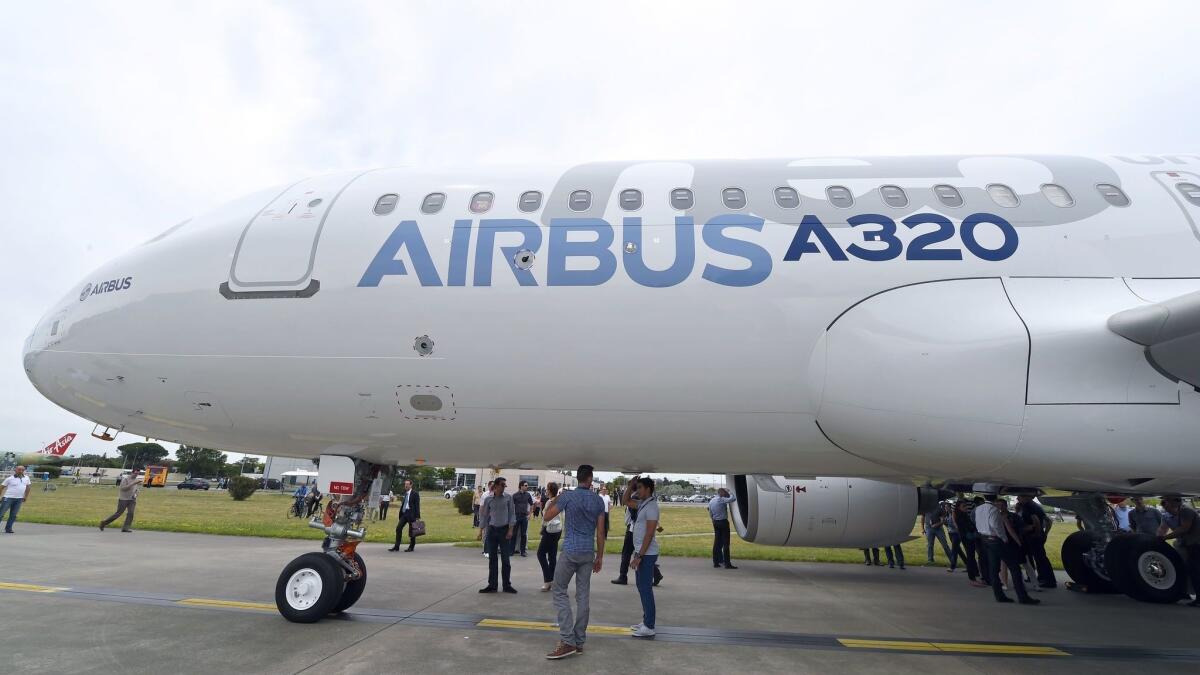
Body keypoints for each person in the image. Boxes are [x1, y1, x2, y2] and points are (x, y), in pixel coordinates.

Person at [542, 464, 605, 659]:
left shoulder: (568, 497)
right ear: (590, 479)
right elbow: (601, 531)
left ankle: (567, 640)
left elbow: (546, 516)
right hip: (587, 552)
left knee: (559, 590)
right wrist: (600, 556)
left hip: (570, 550)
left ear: (577, 478)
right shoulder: (598, 501)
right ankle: (579, 641)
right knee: (583, 596)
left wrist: (559, 496)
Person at [976, 495, 1039, 605]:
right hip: (996, 539)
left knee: (994, 569)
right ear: (995, 498)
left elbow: (978, 524)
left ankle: (999, 595)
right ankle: (1023, 597)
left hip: (985, 539)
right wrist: (1004, 539)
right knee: (1014, 567)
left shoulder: (979, 508)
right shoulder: (994, 509)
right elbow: (995, 525)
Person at [630, 477, 660, 638]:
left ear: (648, 489)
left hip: (646, 554)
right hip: (642, 552)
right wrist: (630, 486)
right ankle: (646, 620)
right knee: (642, 588)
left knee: (645, 589)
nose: (637, 490)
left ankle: (649, 626)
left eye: (639, 487)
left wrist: (639, 556)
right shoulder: (644, 504)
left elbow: (650, 533)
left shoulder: (652, 507)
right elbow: (625, 501)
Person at [477, 477, 516, 593]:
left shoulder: (508, 498)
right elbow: (484, 516)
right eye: (502, 485)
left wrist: (510, 530)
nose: (504, 487)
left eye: (505, 485)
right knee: (492, 559)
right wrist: (480, 530)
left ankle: (507, 585)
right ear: (496, 486)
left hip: (504, 531)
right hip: (492, 531)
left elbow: (512, 515)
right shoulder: (488, 499)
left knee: (506, 560)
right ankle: (492, 586)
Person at [1161, 497, 1200, 607]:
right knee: (1193, 571)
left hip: (1196, 545)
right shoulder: (1180, 513)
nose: (1166, 505)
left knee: (1196, 571)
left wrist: (1165, 538)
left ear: (1174, 502)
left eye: (1167, 502)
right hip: (1192, 545)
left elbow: (1184, 528)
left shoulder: (1185, 511)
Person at [1016, 495, 1057, 588]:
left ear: (1028, 497)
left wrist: (1037, 533)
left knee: (1040, 558)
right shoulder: (1033, 506)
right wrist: (1045, 533)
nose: (1018, 498)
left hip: (1032, 536)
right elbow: (1048, 521)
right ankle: (1036, 577)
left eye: (1020, 496)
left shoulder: (1029, 507)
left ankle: (1048, 580)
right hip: (1033, 536)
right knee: (1035, 557)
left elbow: (1036, 521)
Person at [953, 500, 986, 587]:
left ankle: (974, 576)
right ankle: (972, 578)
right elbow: (967, 528)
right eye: (964, 506)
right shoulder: (961, 517)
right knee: (970, 558)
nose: (966, 508)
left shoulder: (963, 515)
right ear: (959, 507)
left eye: (966, 506)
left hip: (968, 538)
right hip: (967, 538)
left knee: (971, 557)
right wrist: (976, 532)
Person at [538, 482, 564, 592]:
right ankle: (552, 580)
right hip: (558, 530)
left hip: (550, 530)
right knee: (552, 555)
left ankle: (548, 579)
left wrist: (542, 528)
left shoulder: (550, 502)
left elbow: (546, 517)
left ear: (550, 490)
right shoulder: (560, 501)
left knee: (540, 553)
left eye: (547, 489)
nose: (546, 491)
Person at [709, 487, 737, 569]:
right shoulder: (721, 499)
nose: (726, 494)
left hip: (715, 522)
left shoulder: (712, 500)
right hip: (723, 522)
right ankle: (727, 564)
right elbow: (733, 498)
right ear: (722, 493)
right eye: (725, 493)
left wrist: (713, 520)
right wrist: (730, 491)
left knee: (717, 543)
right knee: (726, 543)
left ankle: (716, 562)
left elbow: (710, 512)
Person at [390, 479, 421, 552]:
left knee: (412, 531)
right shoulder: (405, 493)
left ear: (411, 485)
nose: (406, 485)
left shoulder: (415, 494)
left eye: (407, 484)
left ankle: (411, 547)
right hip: (404, 514)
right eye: (405, 484)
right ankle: (396, 546)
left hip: (411, 514)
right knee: (398, 528)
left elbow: (417, 505)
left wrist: (417, 517)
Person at [0, 465, 32, 533]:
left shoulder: (27, 478)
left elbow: (28, 487)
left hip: (19, 499)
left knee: (13, 515)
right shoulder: (10, 478)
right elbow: (1, 487)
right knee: (1, 513)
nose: (21, 471)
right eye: (19, 469)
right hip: (8, 498)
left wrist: (25, 496)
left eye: (22, 470)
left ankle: (8, 529)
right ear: (15, 470)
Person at [922, 501, 953, 567]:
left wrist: (937, 524)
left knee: (944, 544)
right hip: (928, 528)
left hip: (938, 529)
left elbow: (943, 520)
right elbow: (923, 518)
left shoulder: (939, 508)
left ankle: (952, 560)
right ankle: (930, 560)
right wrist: (922, 529)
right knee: (930, 544)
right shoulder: (926, 508)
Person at [513, 480, 534, 557]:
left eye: (527, 485)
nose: (527, 487)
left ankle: (523, 551)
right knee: (514, 534)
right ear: (521, 486)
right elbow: (511, 506)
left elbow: (532, 504)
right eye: (525, 485)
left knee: (523, 534)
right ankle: (511, 550)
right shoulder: (515, 495)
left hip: (524, 517)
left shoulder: (528, 495)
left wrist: (530, 514)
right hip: (516, 516)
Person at [943, 501, 964, 573]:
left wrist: (947, 523)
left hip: (956, 533)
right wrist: (944, 522)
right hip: (950, 533)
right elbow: (947, 525)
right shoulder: (947, 514)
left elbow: (955, 524)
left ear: (950, 507)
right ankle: (969, 564)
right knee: (958, 550)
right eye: (945, 507)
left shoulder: (953, 514)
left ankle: (952, 566)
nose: (946, 508)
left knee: (954, 550)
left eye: (947, 507)